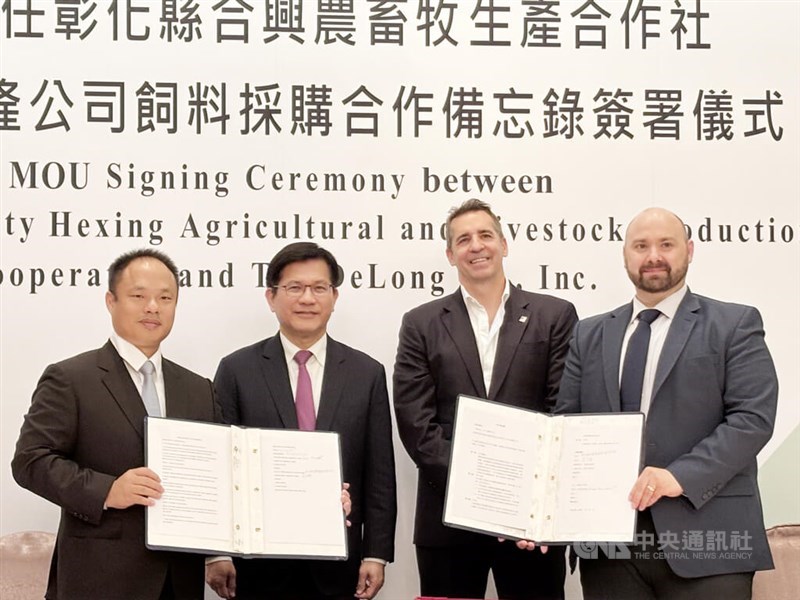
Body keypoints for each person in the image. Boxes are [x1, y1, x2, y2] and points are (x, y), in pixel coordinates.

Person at [555, 207, 777, 599]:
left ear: (689, 250)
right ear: (625, 255)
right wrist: (542, 513)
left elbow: (751, 419)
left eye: (666, 244)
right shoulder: (588, 334)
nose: (653, 255)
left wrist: (678, 476)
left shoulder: (734, 324)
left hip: (709, 537)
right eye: (641, 245)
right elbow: (566, 430)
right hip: (611, 548)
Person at [393, 199, 578, 600]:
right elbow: (415, 422)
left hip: (531, 521)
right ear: (449, 254)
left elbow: (561, 410)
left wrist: (518, 494)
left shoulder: (555, 315)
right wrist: (478, 489)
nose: (476, 246)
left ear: (504, 244)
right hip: (448, 517)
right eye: (463, 239)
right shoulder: (421, 323)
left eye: (485, 235)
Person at [12, 249, 219, 600]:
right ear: (111, 300)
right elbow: (30, 461)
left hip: (179, 580)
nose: (153, 307)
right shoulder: (71, 378)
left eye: (165, 298)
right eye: (138, 296)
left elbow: (217, 476)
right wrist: (107, 491)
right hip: (99, 580)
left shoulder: (199, 389)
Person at [208, 242, 396, 600]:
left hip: (340, 566)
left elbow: (379, 473)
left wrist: (376, 553)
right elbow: (222, 467)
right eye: (294, 288)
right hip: (260, 565)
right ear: (271, 297)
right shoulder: (236, 370)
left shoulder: (366, 373)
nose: (307, 298)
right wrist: (217, 552)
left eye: (319, 288)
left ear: (334, 296)